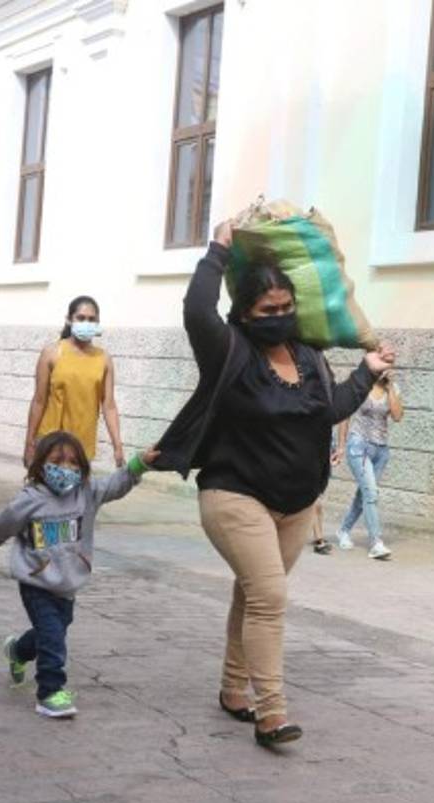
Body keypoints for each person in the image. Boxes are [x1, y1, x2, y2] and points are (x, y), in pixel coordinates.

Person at [153, 222, 391, 746]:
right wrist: (217, 250)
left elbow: (328, 410)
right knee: (269, 597)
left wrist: (366, 372)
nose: (279, 317)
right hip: (234, 495)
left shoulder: (307, 355)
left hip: (297, 503)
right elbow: (196, 310)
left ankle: (233, 691)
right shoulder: (229, 350)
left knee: (254, 594)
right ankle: (272, 714)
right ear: (244, 314)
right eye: (268, 311)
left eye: (286, 308)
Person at [0, 431, 157, 718]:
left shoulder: (86, 493)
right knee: (53, 636)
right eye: (56, 461)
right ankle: (50, 692)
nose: (66, 469)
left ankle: (18, 650)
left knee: (51, 631)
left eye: (74, 463)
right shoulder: (30, 498)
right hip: (36, 581)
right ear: (41, 465)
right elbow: (5, 523)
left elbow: (116, 484)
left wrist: (140, 463)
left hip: (68, 581)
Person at [23, 296, 125, 467]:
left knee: (77, 493)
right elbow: (39, 401)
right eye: (81, 318)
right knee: (43, 493)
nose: (86, 322)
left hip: (81, 447)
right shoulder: (52, 353)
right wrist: (29, 442)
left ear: (98, 322)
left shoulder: (104, 359)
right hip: (50, 443)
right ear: (69, 320)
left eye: (92, 319)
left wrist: (118, 445)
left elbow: (109, 406)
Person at [334, 353, 403, 559]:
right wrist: (341, 445)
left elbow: (398, 416)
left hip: (381, 451)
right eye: (383, 365)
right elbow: (344, 415)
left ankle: (343, 530)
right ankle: (376, 543)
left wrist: (390, 388)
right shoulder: (362, 386)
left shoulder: (393, 389)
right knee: (371, 493)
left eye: (389, 366)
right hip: (359, 446)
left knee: (365, 493)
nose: (385, 369)